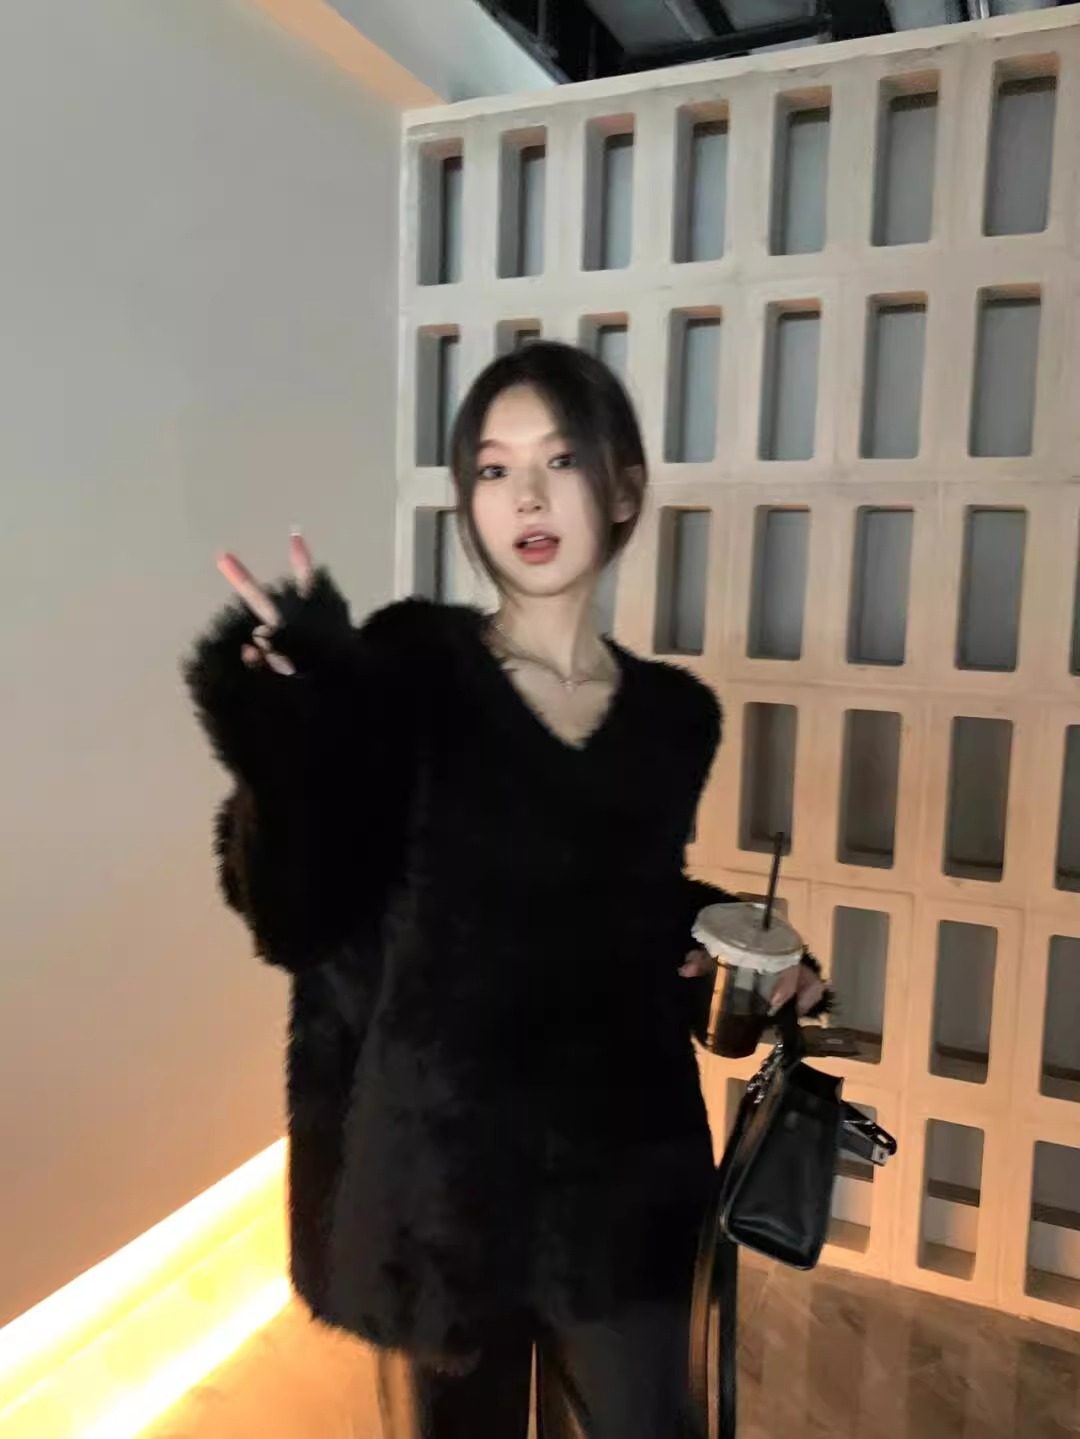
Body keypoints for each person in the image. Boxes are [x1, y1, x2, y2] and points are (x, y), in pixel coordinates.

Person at [180, 341, 828, 1438]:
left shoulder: (675, 718)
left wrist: (737, 946)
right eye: (493, 467)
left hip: (623, 1172)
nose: (526, 493)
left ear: (621, 488)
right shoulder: (405, 667)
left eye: (560, 458)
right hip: (442, 1187)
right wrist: (287, 738)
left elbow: (623, 895)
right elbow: (295, 910)